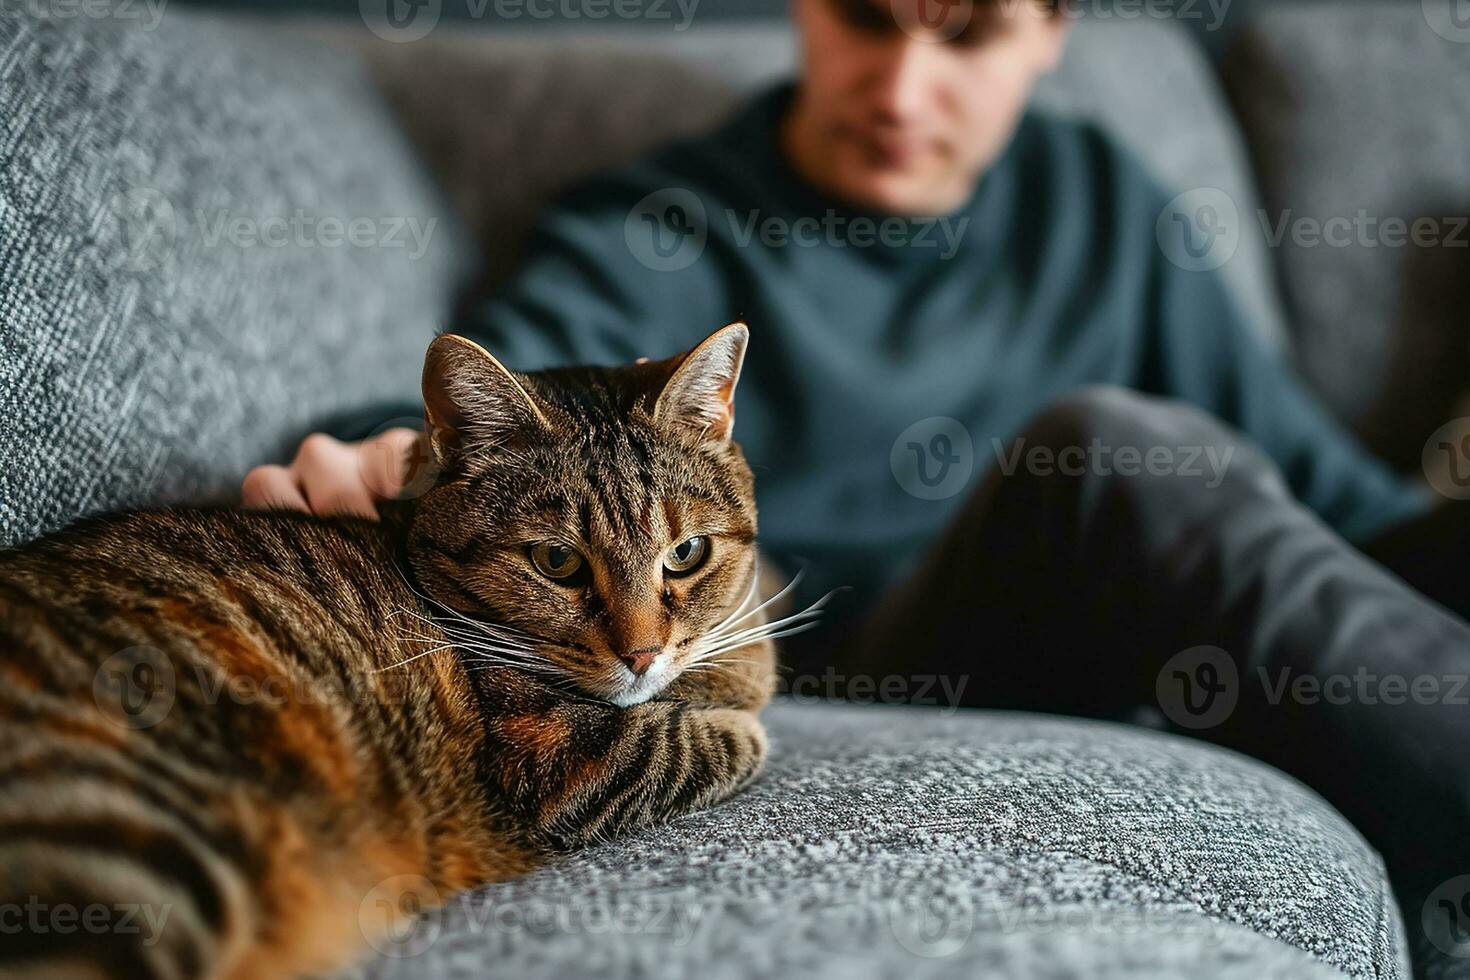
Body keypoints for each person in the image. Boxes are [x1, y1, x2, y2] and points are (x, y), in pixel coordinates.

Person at [243, 0, 1469, 971]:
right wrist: (378, 453)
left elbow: (1346, 509)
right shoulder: (663, 227)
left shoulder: (1099, 200)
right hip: (841, 650)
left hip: (1132, 649)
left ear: (1052, 30)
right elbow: (467, 426)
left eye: (971, 30)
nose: (900, 89)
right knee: (1113, 461)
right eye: (866, 20)